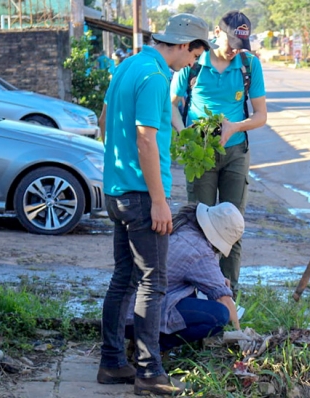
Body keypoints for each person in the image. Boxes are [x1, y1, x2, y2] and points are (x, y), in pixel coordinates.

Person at [96, 13, 215, 396]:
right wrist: (159, 202)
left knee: (124, 279)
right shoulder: (155, 76)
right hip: (141, 195)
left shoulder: (129, 65)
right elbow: (146, 139)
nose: (192, 64)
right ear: (183, 45)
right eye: (194, 56)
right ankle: (149, 372)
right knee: (153, 282)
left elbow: (103, 122)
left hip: (118, 191)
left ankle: (113, 362)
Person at [170, 10, 267, 292]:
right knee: (198, 224)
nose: (235, 53)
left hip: (235, 152)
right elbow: (172, 104)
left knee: (232, 225)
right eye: (231, 46)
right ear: (216, 32)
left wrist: (234, 127)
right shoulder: (194, 63)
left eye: (241, 47)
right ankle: (195, 292)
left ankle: (227, 296)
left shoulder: (249, 65)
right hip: (200, 155)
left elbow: (261, 115)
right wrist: (184, 135)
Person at [125, 202, 243, 352]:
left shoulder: (183, 228)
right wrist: (240, 334)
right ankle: (151, 347)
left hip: (126, 311)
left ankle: (141, 341)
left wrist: (216, 281)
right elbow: (224, 300)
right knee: (220, 316)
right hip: (141, 316)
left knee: (194, 295)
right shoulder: (200, 250)